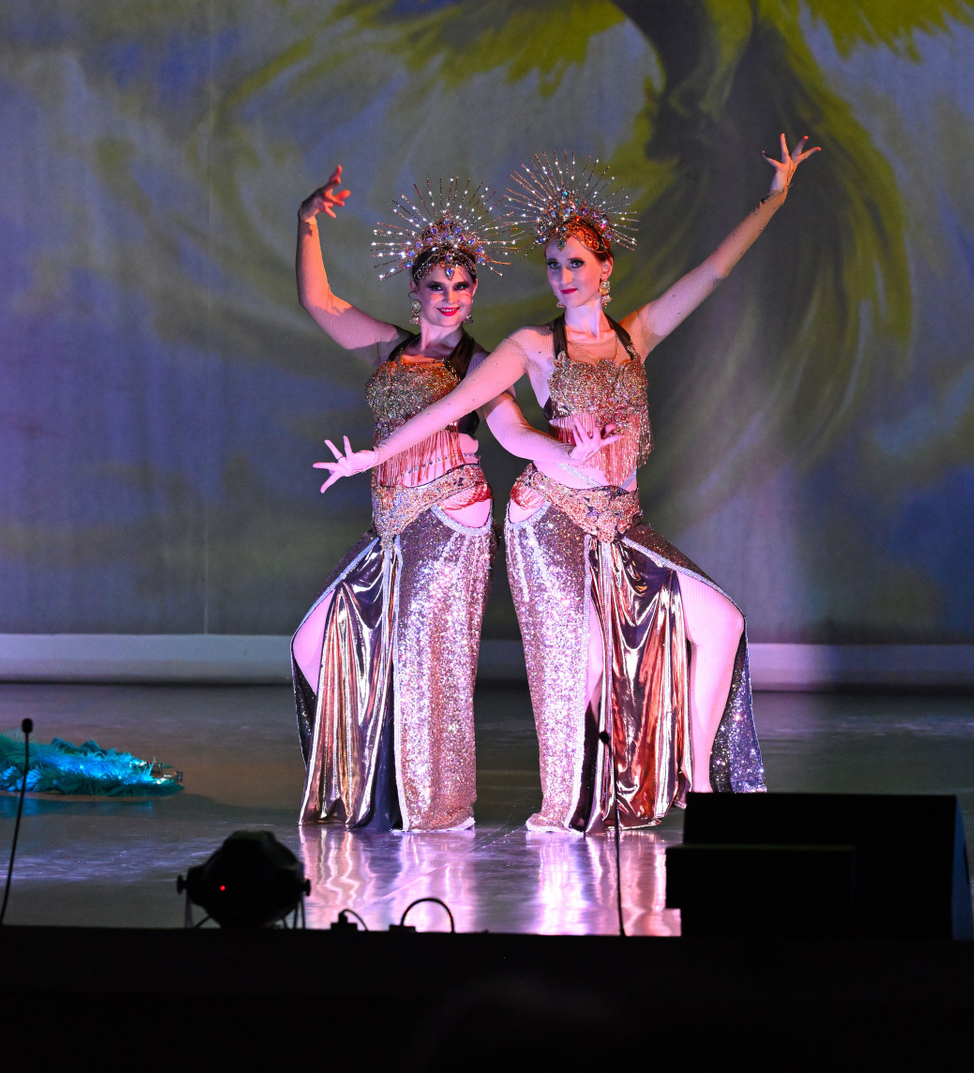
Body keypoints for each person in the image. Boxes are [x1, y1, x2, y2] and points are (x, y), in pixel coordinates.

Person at [315, 136, 820, 831]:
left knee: (723, 623)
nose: (562, 276)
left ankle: (701, 783)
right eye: (553, 265)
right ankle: (570, 803)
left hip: (618, 516)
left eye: (575, 263)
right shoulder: (532, 346)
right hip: (549, 512)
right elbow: (459, 405)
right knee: (578, 668)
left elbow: (711, 273)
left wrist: (775, 199)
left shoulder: (637, 335)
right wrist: (376, 456)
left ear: (605, 268)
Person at [291, 167, 604, 830]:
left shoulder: (479, 364)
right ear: (416, 290)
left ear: (474, 291)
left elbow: (514, 432)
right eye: (437, 285)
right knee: (315, 642)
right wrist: (307, 221)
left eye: (462, 286)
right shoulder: (389, 346)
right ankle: (379, 779)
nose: (450, 297)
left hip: (449, 516)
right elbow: (319, 303)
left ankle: (438, 806)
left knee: (427, 659)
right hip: (390, 524)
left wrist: (567, 456)